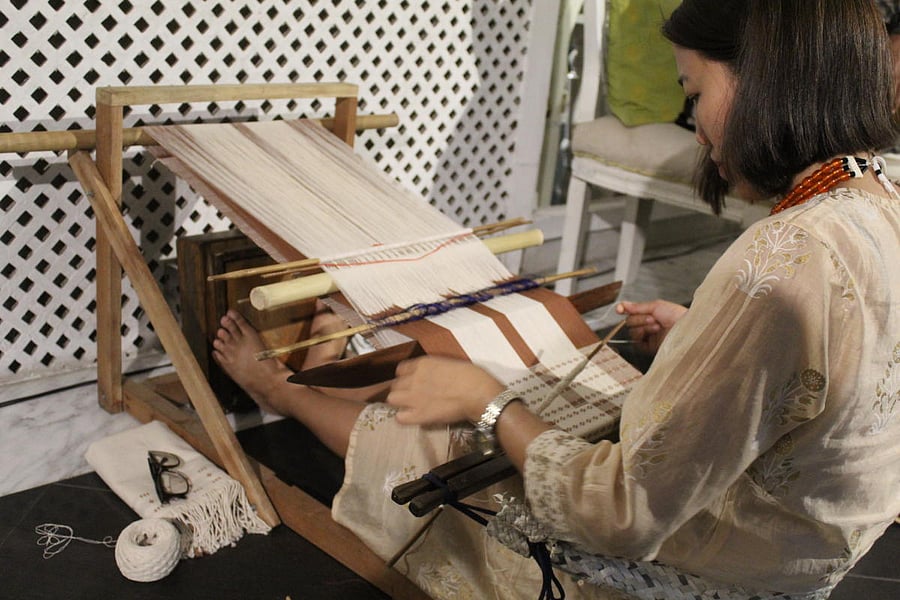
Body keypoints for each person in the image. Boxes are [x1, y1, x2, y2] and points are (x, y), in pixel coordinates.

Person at [214, 1, 900, 597]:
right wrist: (702, 330)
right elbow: (848, 362)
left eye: (693, 91)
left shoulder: (779, 265)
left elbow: (622, 516)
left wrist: (489, 402)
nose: (696, 126)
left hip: (712, 576)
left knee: (440, 438)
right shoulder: (880, 199)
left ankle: (282, 392)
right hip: (801, 559)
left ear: (764, 78)